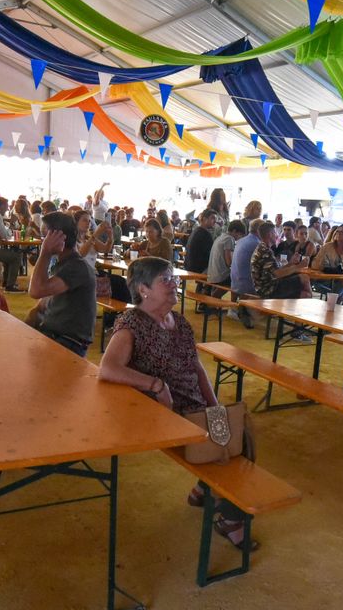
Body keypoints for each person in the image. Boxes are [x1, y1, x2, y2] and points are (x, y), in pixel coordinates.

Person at [98, 257, 255, 545]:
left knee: (236, 430)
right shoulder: (132, 323)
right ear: (144, 289)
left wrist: (215, 406)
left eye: (174, 278)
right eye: (166, 280)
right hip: (166, 413)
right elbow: (107, 368)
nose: (174, 284)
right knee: (233, 442)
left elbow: (196, 367)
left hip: (193, 406)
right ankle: (231, 521)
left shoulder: (179, 322)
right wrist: (155, 384)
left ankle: (203, 491)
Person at [27, 211, 96, 356]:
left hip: (68, 342)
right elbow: (43, 303)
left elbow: (36, 290)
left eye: (45, 237)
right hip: (54, 335)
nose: (43, 241)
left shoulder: (77, 267)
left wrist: (45, 252)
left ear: (59, 237)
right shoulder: (64, 264)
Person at [250, 220, 310, 300]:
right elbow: (277, 274)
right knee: (305, 287)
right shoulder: (265, 251)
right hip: (267, 290)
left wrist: (290, 263)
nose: (277, 235)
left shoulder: (263, 247)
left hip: (266, 286)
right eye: (275, 233)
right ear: (270, 234)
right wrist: (298, 266)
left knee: (304, 281)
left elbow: (275, 271)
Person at [311, 224, 343, 298]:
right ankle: (336, 298)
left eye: (342, 232)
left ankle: (333, 299)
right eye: (337, 231)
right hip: (327, 278)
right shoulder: (327, 246)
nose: (338, 233)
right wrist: (321, 263)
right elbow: (315, 264)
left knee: (342, 285)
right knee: (316, 284)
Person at [184, 209, 217, 275]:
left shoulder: (196, 231)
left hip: (189, 268)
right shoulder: (205, 235)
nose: (215, 221)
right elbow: (212, 256)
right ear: (204, 219)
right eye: (212, 218)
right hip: (199, 271)